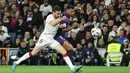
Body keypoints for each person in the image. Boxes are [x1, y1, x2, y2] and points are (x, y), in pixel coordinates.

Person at [12, 6, 82, 73]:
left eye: (59, 13)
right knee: (33, 53)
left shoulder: (58, 18)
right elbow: (53, 23)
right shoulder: (50, 17)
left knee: (64, 52)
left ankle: (72, 68)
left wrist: (61, 26)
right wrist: (61, 19)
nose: (58, 15)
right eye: (57, 13)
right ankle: (17, 62)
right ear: (53, 12)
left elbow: (56, 25)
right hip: (44, 38)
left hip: (51, 40)